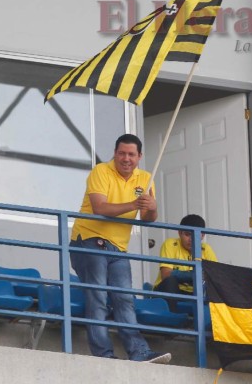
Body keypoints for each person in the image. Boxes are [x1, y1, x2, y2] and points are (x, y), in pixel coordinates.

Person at [69, 134, 171, 364]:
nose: (126, 159)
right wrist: (134, 204)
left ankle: (139, 353)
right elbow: (99, 207)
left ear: (139, 157)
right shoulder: (101, 171)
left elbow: (147, 218)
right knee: (97, 297)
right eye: (122, 153)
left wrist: (152, 208)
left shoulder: (145, 178)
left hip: (118, 248)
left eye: (131, 154)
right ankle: (104, 355)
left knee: (125, 298)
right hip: (88, 240)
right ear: (115, 153)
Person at [152, 214, 217, 312]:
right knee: (171, 281)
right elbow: (165, 274)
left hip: (193, 293)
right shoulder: (170, 244)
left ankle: (209, 323)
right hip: (169, 291)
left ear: (202, 235)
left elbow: (215, 276)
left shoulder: (206, 249)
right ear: (179, 233)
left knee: (215, 287)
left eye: (195, 235)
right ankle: (173, 320)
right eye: (187, 234)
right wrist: (192, 275)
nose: (191, 239)